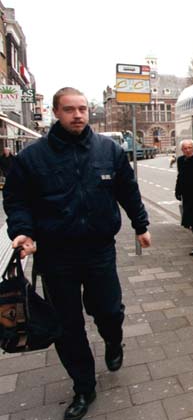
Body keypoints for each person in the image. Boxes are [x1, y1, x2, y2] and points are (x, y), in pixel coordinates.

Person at [3, 87, 151, 420]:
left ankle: (114, 341)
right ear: (56, 112)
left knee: (109, 311)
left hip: (99, 251)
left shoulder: (108, 151)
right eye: (70, 109)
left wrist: (141, 226)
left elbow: (128, 190)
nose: (78, 115)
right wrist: (22, 231)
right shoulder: (32, 157)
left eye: (83, 108)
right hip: (56, 256)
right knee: (67, 327)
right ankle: (83, 387)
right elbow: (16, 200)